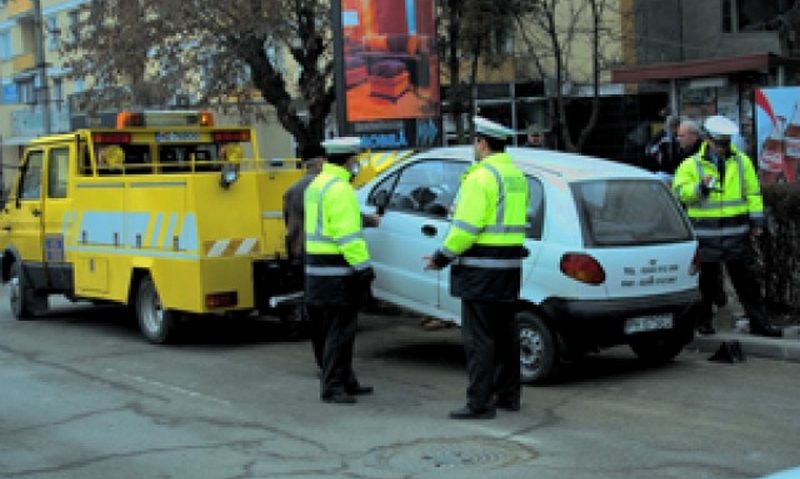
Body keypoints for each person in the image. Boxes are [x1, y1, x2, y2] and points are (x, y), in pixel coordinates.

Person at [425, 117, 529, 419]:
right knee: (506, 335)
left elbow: (466, 230)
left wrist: (440, 256)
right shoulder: (515, 176)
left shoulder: (480, 178)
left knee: (479, 339)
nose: (474, 146)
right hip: (509, 268)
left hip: (481, 270)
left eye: (474, 142)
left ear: (482, 143)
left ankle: (480, 403)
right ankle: (508, 396)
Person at [672, 115, 782, 338]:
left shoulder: (742, 161)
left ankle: (760, 325)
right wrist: (698, 189)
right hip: (706, 235)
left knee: (747, 284)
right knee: (706, 285)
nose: (722, 148)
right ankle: (704, 323)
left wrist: (756, 221)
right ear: (708, 140)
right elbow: (678, 192)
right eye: (718, 143)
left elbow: (752, 193)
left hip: (736, 234)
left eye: (725, 143)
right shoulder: (690, 164)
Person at [304, 137, 376, 404]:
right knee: (340, 332)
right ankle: (333, 387)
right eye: (355, 159)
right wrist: (364, 268)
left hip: (317, 270)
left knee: (328, 331)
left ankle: (346, 380)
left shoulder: (318, 185)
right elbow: (347, 235)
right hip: (337, 273)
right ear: (349, 159)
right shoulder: (340, 189)